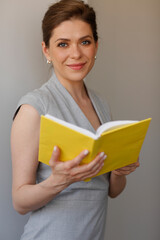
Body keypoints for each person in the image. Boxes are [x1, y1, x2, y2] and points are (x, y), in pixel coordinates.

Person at [11, 0, 139, 239]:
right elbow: (19, 202)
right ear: (46, 50)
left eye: (85, 42)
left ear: (96, 46)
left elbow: (111, 191)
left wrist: (120, 171)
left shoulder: (101, 105)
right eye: (63, 44)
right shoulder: (34, 108)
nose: (76, 53)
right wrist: (59, 181)